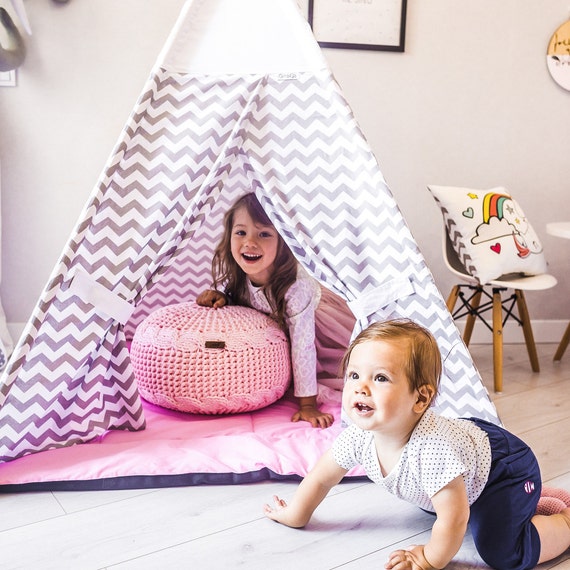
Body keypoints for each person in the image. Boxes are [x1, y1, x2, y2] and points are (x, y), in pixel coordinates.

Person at [263, 319, 570, 570]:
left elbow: (454, 519)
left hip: (503, 471)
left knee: (502, 551)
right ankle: (534, 500)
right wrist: (296, 515)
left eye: (380, 378)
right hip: (471, 454)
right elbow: (321, 477)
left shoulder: (433, 450)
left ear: (420, 398)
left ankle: (563, 523)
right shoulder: (358, 436)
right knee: (441, 505)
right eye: (354, 375)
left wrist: (429, 558)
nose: (361, 388)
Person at [196, 193, 355, 429]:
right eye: (241, 233)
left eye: (264, 234)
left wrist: (308, 405)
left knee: (344, 368)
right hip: (288, 333)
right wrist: (223, 296)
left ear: (283, 241)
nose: (250, 242)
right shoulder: (239, 273)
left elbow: (303, 346)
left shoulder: (296, 286)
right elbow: (243, 298)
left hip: (318, 333)